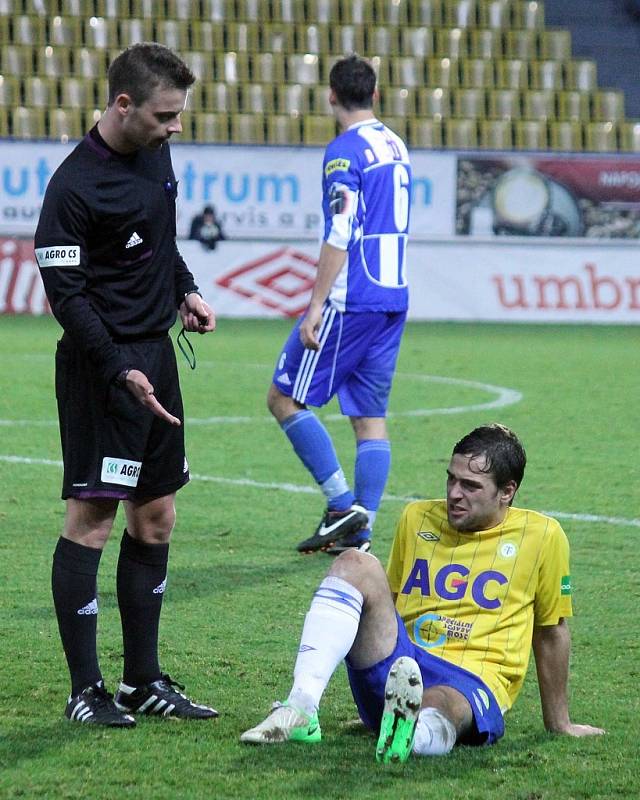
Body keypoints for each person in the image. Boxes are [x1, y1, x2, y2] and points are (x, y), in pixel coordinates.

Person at [34, 43, 218, 727]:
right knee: (92, 518)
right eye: (165, 116)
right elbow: (67, 298)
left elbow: (159, 237)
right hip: (100, 369)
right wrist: (119, 370)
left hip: (156, 359)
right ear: (123, 105)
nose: (175, 128)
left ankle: (143, 681)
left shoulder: (155, 153)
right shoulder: (72, 188)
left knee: (157, 515)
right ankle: (86, 691)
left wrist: (185, 290)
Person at [240, 424, 605, 761]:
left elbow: (551, 631)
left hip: (473, 678)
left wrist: (559, 722)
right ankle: (302, 706)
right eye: (451, 479)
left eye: (471, 486)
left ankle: (412, 734)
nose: (454, 494)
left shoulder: (543, 536)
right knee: (355, 562)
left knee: (438, 701)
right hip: (401, 662)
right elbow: (388, 603)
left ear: (507, 491)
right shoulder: (416, 518)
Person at [268, 54, 412, 556]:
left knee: (284, 398)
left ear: (330, 96)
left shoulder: (342, 153)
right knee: (369, 416)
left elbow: (340, 227)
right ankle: (361, 531)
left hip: (352, 299)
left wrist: (314, 306)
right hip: (393, 295)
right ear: (374, 95)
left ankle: (342, 504)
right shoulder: (396, 144)